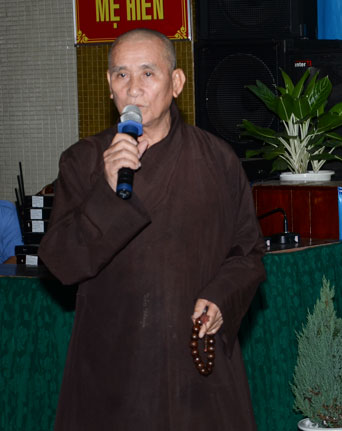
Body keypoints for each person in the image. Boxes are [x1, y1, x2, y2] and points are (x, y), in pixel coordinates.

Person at [39, 28, 266, 430]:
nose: (133, 88)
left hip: (195, 359)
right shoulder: (84, 161)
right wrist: (106, 191)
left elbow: (247, 253)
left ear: (176, 83)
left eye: (148, 73)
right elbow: (61, 264)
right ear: (109, 85)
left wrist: (221, 297)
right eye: (121, 75)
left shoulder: (217, 159)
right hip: (116, 365)